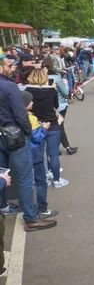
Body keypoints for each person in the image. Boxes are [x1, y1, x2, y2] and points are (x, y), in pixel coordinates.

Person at [0, 55, 57, 231]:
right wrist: (28, 132)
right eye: (9, 65)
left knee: (2, 172)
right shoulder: (9, 86)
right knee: (26, 177)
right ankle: (30, 218)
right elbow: (20, 114)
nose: (12, 68)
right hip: (14, 135)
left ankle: (3, 205)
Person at [24, 68, 69, 188]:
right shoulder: (52, 91)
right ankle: (57, 180)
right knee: (53, 154)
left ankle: (43, 178)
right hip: (52, 124)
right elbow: (56, 105)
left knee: (40, 154)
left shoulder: (27, 91)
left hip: (36, 125)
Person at [22, 91, 58, 219]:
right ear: (26, 104)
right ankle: (42, 208)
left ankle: (27, 208)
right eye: (30, 101)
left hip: (22, 154)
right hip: (35, 153)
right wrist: (44, 128)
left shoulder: (16, 116)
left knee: (26, 182)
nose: (33, 102)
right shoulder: (31, 118)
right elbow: (36, 137)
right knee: (41, 181)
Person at [42, 58, 77, 155]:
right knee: (59, 126)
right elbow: (65, 93)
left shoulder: (41, 77)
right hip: (60, 104)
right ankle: (67, 147)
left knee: (52, 127)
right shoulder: (56, 78)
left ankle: (57, 148)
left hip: (47, 105)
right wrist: (65, 84)